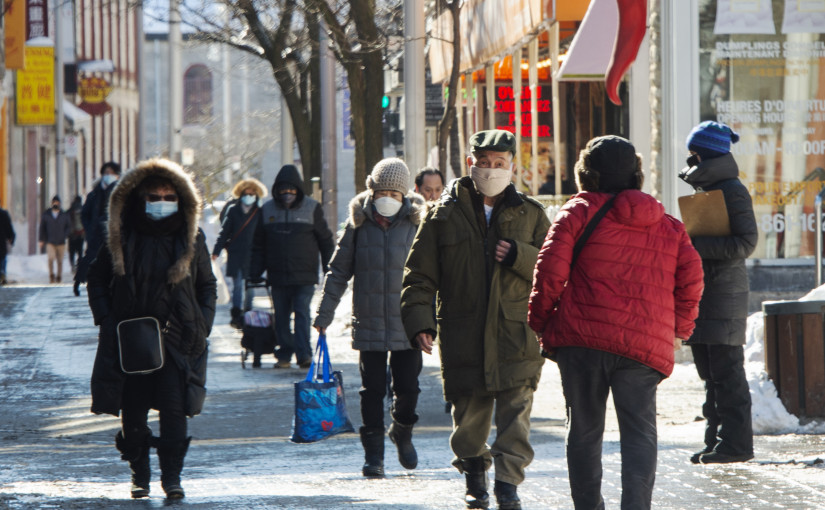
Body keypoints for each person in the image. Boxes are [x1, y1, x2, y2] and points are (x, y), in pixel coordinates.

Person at [528, 135, 705, 510]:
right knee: (640, 435)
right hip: (643, 347)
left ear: (585, 175)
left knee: (584, 432)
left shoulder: (577, 211)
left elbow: (549, 271)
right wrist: (679, 330)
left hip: (583, 340)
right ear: (636, 175)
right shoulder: (668, 225)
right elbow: (691, 280)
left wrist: (541, 320)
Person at [401, 129, 550, 510]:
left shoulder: (531, 213)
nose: (491, 170)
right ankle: (474, 474)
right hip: (462, 331)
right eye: (484, 163)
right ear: (471, 164)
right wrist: (420, 322)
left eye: (499, 164)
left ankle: (507, 485)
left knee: (516, 414)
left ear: (511, 166)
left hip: (516, 332)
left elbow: (553, 271)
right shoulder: (441, 215)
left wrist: (519, 254)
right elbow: (419, 275)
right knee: (469, 416)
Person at [86, 158, 216, 500]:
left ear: (180, 199)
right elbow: (97, 279)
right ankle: (139, 474)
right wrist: (107, 320)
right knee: (134, 414)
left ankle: (172, 477)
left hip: (176, 339)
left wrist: (202, 324)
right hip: (132, 342)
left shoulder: (191, 238)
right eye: (154, 196)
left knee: (175, 412)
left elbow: (207, 285)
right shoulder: (123, 236)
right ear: (140, 198)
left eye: (168, 195)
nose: (161, 202)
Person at [314, 158, 425, 478]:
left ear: (404, 195)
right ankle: (373, 455)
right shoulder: (358, 223)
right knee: (372, 390)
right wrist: (324, 313)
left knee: (408, 389)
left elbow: (432, 273)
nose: (387, 197)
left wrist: (431, 319)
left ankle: (402, 431)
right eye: (381, 191)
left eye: (394, 191)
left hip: (408, 324)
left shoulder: (417, 223)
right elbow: (337, 272)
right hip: (370, 321)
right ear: (371, 190)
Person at [680, 121, 757, 464]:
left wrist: (693, 244)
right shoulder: (708, 189)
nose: (691, 159)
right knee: (710, 375)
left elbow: (745, 242)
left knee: (727, 374)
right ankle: (716, 440)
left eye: (695, 153)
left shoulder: (732, 190)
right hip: (704, 294)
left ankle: (736, 444)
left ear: (708, 154)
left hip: (724, 296)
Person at [250, 164, 335, 369]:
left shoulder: (312, 208)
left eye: (292, 190)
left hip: (304, 275)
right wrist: (254, 271)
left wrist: (329, 267)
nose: (287, 194)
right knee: (281, 318)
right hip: (277, 275)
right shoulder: (267, 210)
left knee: (302, 314)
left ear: (298, 189)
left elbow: (325, 240)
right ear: (276, 191)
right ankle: (285, 353)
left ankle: (304, 354)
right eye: (283, 190)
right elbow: (259, 244)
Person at [211, 177, 267, 330]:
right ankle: (236, 313)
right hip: (236, 253)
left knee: (250, 285)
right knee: (237, 285)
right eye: (246, 193)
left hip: (252, 254)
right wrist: (216, 250)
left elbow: (262, 234)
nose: (249, 196)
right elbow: (225, 232)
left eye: (251, 193)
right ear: (241, 194)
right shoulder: (234, 210)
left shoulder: (259, 212)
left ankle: (248, 312)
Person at [75, 161, 122, 296]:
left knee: (113, 263)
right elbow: (85, 214)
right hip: (95, 236)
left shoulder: (120, 191)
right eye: (106, 173)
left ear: (117, 175)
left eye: (112, 173)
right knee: (91, 260)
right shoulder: (95, 194)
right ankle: (80, 283)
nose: (109, 176)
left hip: (114, 235)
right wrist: (90, 228)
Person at [39, 195, 72, 283]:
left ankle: (59, 276)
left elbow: (68, 227)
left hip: (61, 241)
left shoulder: (64, 214)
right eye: (54, 202)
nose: (56, 204)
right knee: (51, 258)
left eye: (57, 202)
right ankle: (51, 275)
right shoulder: (46, 215)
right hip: (50, 241)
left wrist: (64, 235)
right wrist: (41, 239)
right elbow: (42, 227)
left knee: (60, 260)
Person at [68, 196, 85, 271]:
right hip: (80, 235)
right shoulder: (83, 209)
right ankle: (80, 266)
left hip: (72, 235)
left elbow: (66, 220)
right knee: (80, 252)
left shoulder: (70, 209)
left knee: (72, 252)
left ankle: (72, 265)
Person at [0, 205, 15, 285]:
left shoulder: (4, 214)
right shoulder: (4, 214)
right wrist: (11, 237)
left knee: (2, 258)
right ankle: (2, 273)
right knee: (2, 258)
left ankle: (2, 274)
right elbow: (9, 227)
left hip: (2, 241)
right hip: (2, 241)